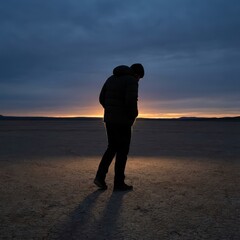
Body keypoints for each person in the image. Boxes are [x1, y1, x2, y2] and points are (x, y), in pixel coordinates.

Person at [94, 63, 144, 191]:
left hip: (110, 120)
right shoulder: (131, 80)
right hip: (123, 122)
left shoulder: (111, 79)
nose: (138, 80)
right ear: (136, 74)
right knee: (122, 152)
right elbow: (131, 102)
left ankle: (100, 177)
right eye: (139, 77)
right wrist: (132, 116)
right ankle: (118, 183)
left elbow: (101, 98)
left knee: (111, 148)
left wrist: (111, 110)